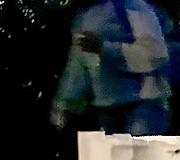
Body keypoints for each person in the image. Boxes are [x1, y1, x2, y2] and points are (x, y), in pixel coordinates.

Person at [51, 0, 173, 136]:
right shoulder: (84, 16)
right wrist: (65, 104)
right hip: (108, 110)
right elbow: (78, 64)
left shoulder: (131, 5)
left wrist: (104, 48)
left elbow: (156, 53)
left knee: (142, 155)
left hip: (143, 107)